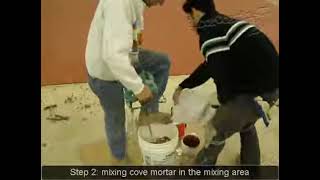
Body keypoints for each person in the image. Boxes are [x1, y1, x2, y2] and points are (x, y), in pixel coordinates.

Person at [173, 0, 279, 165]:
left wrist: (221, 111)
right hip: (270, 88)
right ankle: (251, 165)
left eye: (189, 18)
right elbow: (211, 65)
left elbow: (221, 74)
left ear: (195, 11)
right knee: (245, 123)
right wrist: (184, 85)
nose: (191, 23)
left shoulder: (209, 31)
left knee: (215, 131)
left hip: (255, 93)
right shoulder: (224, 24)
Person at [85, 0, 171, 162]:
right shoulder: (119, 4)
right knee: (116, 117)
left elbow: (132, 33)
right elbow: (113, 56)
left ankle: (148, 113)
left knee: (162, 62)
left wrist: (135, 49)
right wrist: (139, 88)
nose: (162, 4)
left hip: (126, 58)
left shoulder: (137, 3)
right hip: (105, 74)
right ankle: (119, 158)